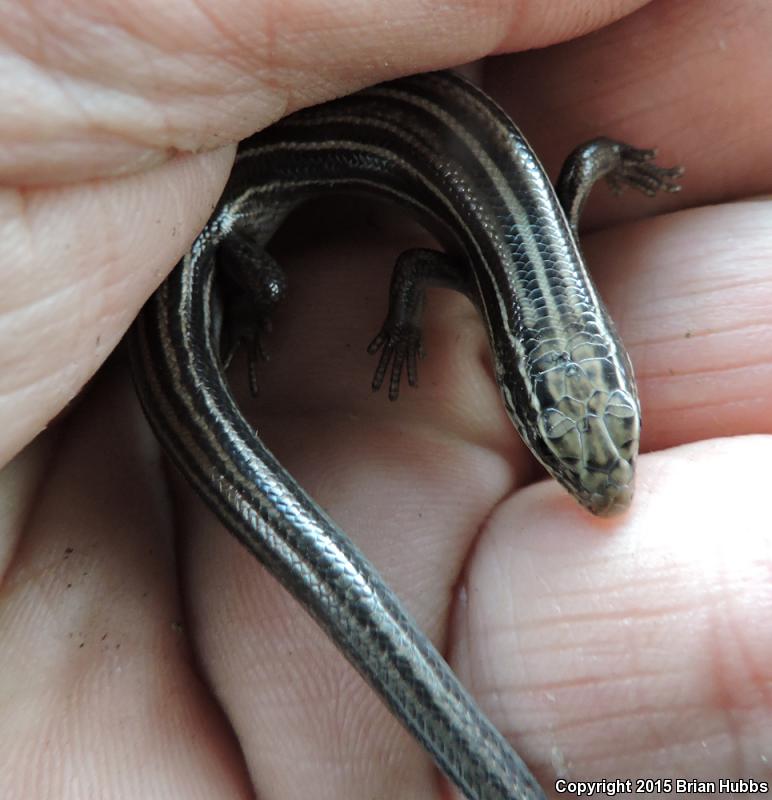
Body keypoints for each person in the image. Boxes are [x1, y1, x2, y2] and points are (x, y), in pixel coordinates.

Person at [1, 1, 770, 796]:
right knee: (258, 280)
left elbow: (570, 172)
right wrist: (274, 314)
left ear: (621, 368)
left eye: (608, 435)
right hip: (232, 205)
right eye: (553, 445)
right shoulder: (502, 259)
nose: (599, 475)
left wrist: (622, 161)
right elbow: (451, 244)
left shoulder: (519, 251)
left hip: (319, 160)